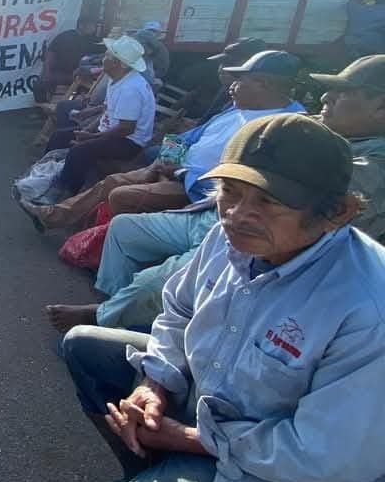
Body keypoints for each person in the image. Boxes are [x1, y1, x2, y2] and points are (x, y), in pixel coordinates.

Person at [29, 114, 385, 482]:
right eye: (229, 191)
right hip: (210, 408)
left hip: (292, 481)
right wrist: (153, 383)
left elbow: (323, 452)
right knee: (83, 346)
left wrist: (188, 438)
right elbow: (179, 310)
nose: (237, 214)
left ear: (338, 212)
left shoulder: (367, 304)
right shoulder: (229, 237)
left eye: (268, 201)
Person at [45, 54, 385, 334]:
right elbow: (191, 140)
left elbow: (273, 207)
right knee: (123, 225)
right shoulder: (254, 116)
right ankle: (117, 313)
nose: (326, 98)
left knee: (153, 276)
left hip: (235, 220)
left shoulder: (349, 155)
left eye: (344, 92)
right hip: (212, 206)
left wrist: (182, 173)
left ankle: (109, 318)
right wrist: (170, 161)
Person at [22, 51, 303, 231]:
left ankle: (87, 233)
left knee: (120, 192)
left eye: (241, 80)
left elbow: (244, 182)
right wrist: (166, 159)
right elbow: (186, 137)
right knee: (111, 181)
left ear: (264, 84)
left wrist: (180, 172)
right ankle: (53, 216)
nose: (232, 85)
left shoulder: (285, 128)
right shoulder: (238, 109)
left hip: (200, 189)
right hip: (173, 168)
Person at [42, 36, 156, 197]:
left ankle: (64, 193)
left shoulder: (130, 89)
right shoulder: (117, 79)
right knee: (59, 136)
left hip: (129, 142)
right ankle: (45, 174)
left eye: (108, 56)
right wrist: (87, 130)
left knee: (79, 151)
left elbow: (126, 129)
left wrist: (92, 137)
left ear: (119, 64)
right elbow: (107, 110)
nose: (103, 58)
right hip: (111, 133)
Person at [34, 16, 100, 104]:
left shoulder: (93, 40)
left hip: (80, 74)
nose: (94, 28)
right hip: (62, 73)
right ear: (81, 25)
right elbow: (50, 54)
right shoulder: (65, 36)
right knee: (39, 84)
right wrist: (47, 71)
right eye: (92, 25)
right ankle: (45, 107)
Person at [131, 21, 170, 86]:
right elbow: (163, 69)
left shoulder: (161, 49)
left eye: (154, 31)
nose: (151, 33)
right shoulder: (161, 47)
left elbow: (162, 68)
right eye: (149, 31)